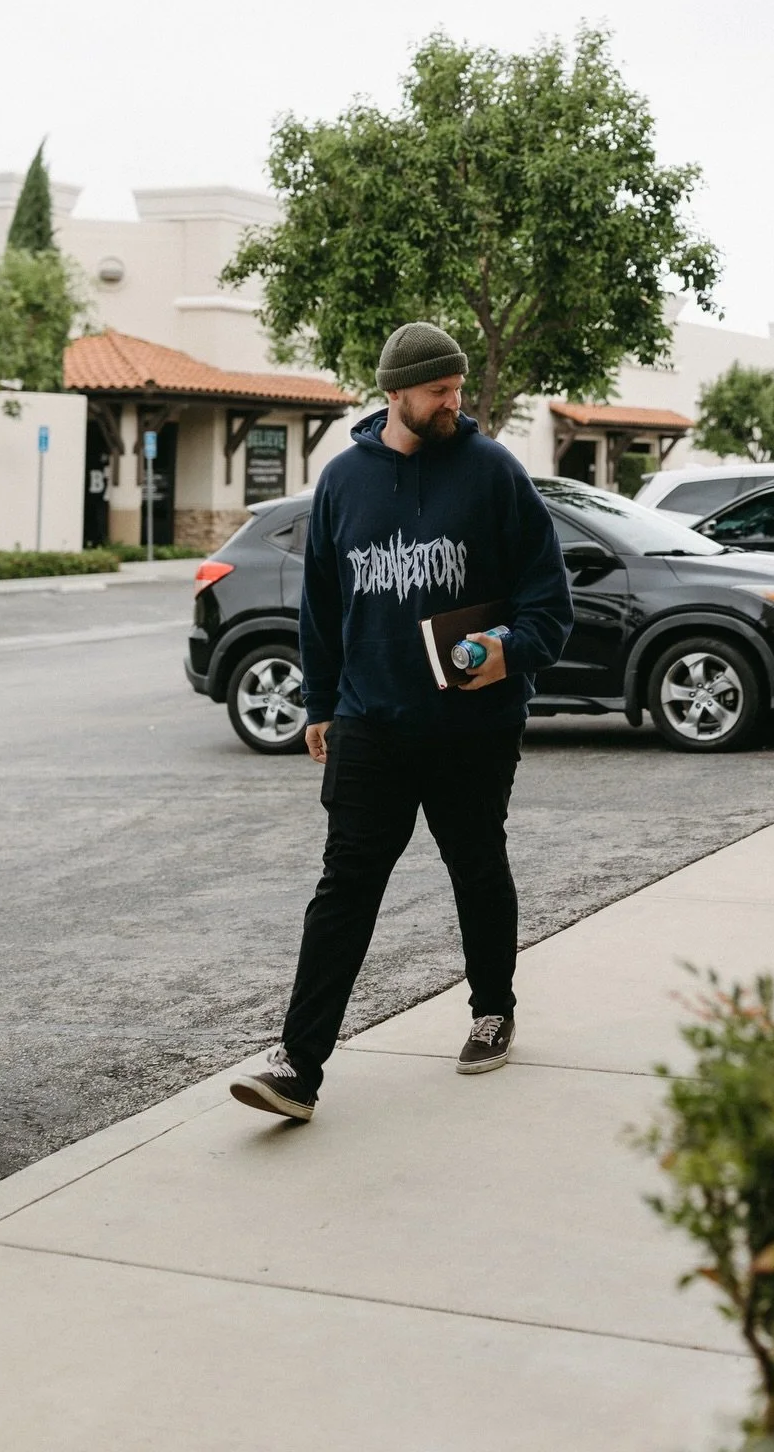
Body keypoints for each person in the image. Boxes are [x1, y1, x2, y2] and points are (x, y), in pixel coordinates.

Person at [230, 322, 574, 1122]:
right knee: (345, 885)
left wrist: (507, 650)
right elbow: (320, 605)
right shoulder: (343, 482)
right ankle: (297, 1068)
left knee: (476, 867)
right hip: (369, 724)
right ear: (395, 394)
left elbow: (549, 601)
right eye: (439, 391)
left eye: (457, 388)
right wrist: (320, 704)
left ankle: (493, 1009)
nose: (456, 401)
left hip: (473, 725)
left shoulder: (493, 472)